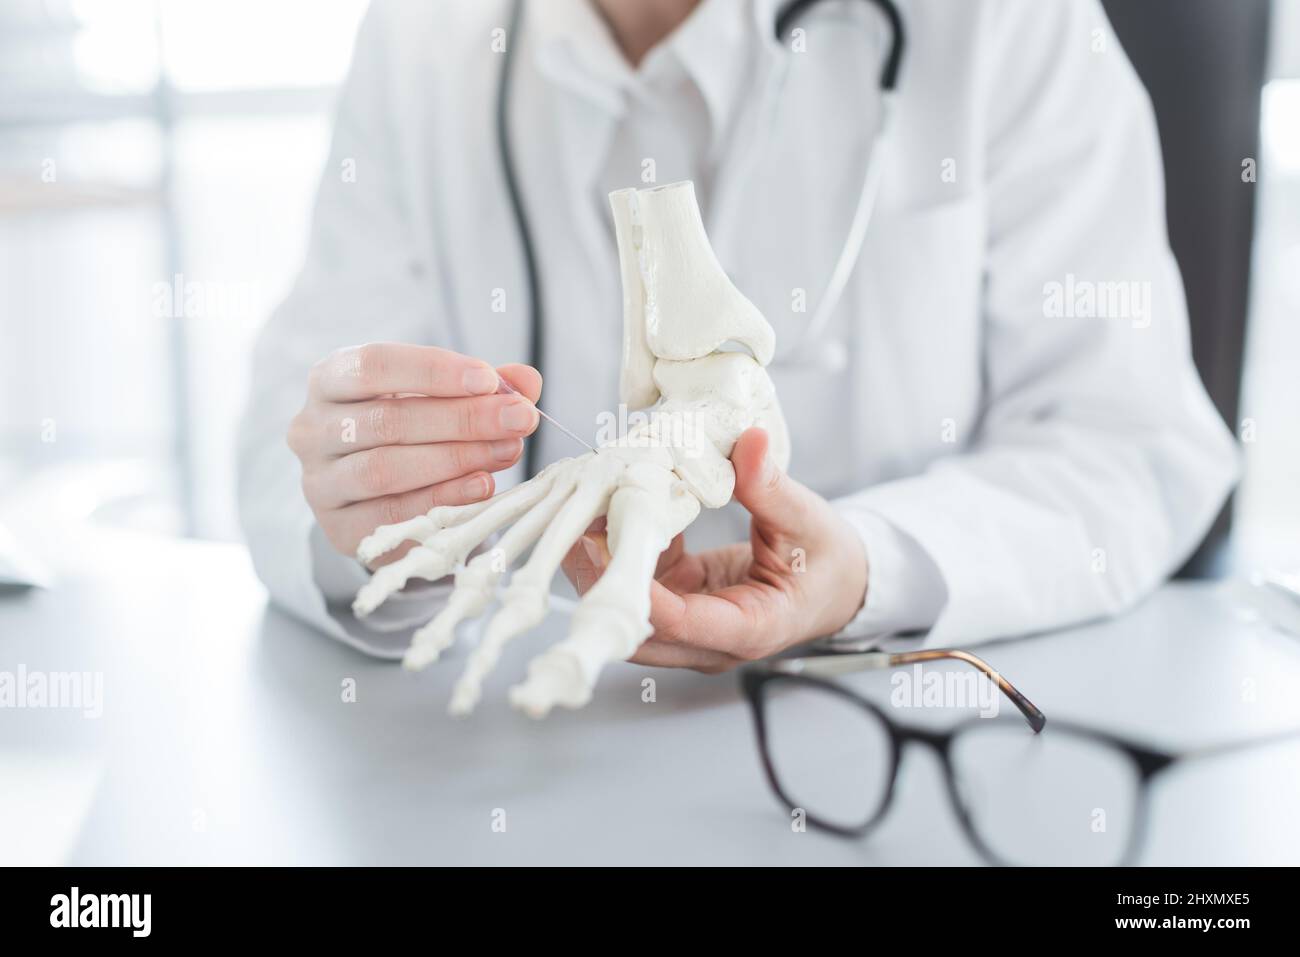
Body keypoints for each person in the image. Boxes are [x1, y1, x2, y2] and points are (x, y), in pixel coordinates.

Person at [238, 0, 1237, 668]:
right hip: (547, 769)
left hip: (900, 748)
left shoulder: (998, 23)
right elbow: (289, 438)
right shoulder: (425, 36)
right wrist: (368, 515)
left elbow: (1130, 442)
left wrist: (872, 569)